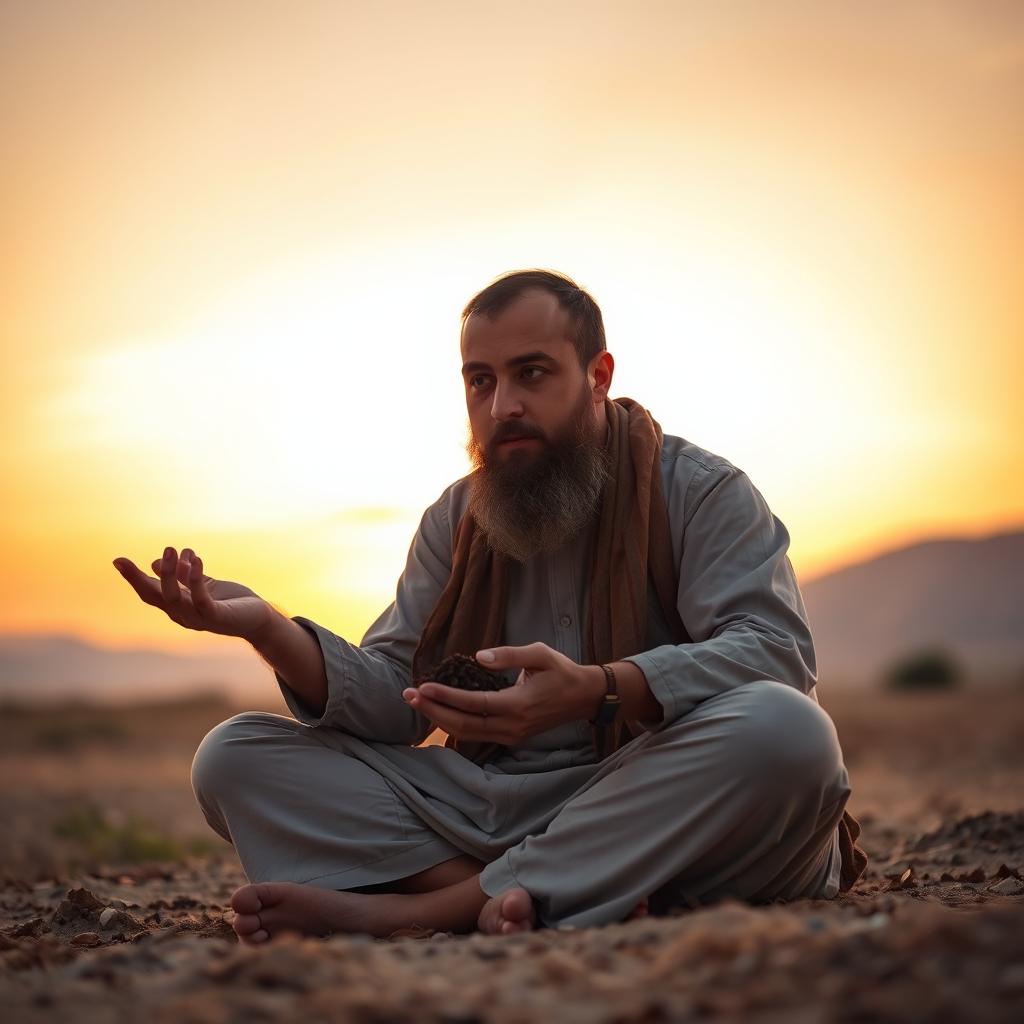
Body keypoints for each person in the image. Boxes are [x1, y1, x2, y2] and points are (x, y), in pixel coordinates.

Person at [113, 269, 866, 943]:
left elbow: (774, 654)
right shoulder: (456, 519)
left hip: (655, 787)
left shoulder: (700, 492)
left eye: (532, 374)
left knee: (788, 732)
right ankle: (571, 889)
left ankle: (428, 907)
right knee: (234, 756)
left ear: (598, 374)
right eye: (480, 381)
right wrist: (270, 628)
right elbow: (397, 702)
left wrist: (601, 689)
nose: (503, 405)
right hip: (493, 806)